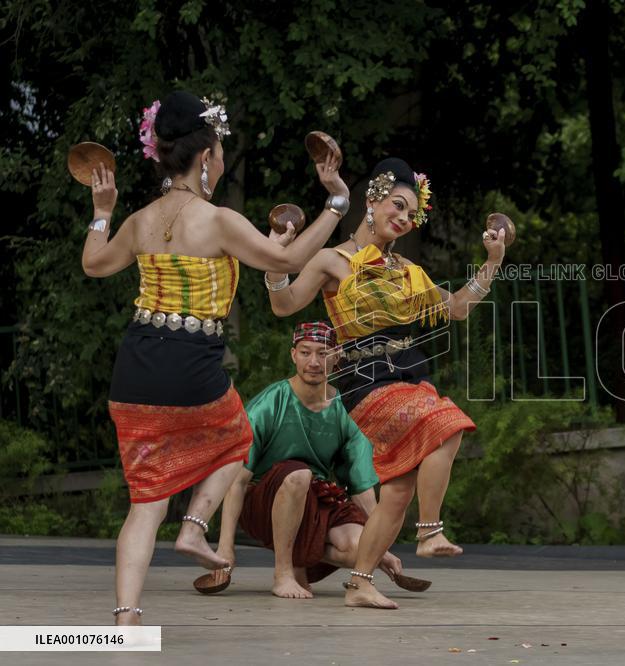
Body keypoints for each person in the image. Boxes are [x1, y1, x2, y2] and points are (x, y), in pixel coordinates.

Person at [81, 91, 351, 625]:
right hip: (190, 363)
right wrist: (337, 203)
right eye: (221, 151)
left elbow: (93, 263)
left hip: (134, 367)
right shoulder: (218, 220)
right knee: (239, 437)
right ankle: (194, 527)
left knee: (145, 500)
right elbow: (288, 258)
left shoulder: (137, 221)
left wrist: (101, 213)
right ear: (205, 157)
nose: (222, 160)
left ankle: (125, 620)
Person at [265, 158, 506, 608]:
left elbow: (455, 308)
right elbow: (284, 304)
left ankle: (358, 583)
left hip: (409, 377)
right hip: (365, 381)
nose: (404, 217)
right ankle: (430, 531)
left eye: (411, 214)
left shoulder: (407, 272)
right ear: (371, 202)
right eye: (397, 205)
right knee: (448, 424)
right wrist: (277, 259)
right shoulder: (333, 260)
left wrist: (493, 262)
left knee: (398, 489)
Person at [209, 321, 428, 599]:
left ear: (337, 356)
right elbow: (237, 481)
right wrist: (225, 546)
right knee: (298, 475)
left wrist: (380, 545)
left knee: (360, 549)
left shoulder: (346, 410)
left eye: (323, 353)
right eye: (305, 352)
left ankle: (301, 561)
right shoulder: (270, 403)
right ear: (293, 355)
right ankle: (283, 573)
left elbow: (361, 487)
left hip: (316, 501)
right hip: (264, 500)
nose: (314, 362)